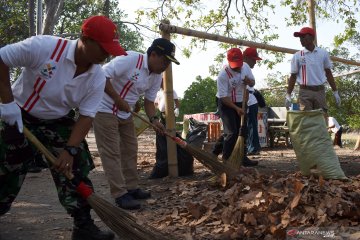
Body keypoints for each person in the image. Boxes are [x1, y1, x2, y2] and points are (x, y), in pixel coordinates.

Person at [0, 15, 126, 240]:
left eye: (111, 49)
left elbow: (86, 116)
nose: (107, 55)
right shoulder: (44, 47)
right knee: (7, 168)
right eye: (103, 48)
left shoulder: (97, 76)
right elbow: (1, 59)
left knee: (76, 168)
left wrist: (70, 150)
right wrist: (8, 103)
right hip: (19, 116)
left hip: (59, 120)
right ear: (85, 39)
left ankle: (83, 226)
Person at [93, 38, 180, 210]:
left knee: (130, 149)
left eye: (169, 64)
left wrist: (154, 120)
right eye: (164, 61)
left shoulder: (156, 76)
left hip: (126, 113)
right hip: (103, 108)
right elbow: (101, 75)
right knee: (111, 153)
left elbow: (149, 102)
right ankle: (119, 194)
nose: (166, 67)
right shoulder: (130, 59)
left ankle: (132, 188)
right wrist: (117, 98)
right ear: (153, 54)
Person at [215, 47, 258, 166]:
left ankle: (242, 157)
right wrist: (236, 108)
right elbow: (224, 98)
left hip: (241, 101)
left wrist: (250, 82)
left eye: (239, 64)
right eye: (235, 65)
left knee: (243, 130)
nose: (238, 68)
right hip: (226, 103)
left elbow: (252, 84)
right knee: (232, 132)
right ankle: (226, 159)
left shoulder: (246, 67)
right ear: (229, 62)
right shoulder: (223, 75)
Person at [285, 27, 341, 112]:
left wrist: (335, 92)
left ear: (312, 37)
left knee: (321, 118)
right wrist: (288, 95)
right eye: (300, 38)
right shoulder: (297, 56)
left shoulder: (323, 53)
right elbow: (293, 76)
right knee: (306, 120)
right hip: (304, 92)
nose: (301, 39)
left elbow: (328, 73)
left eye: (303, 37)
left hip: (320, 91)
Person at [150, 80, 181, 178]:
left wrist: (177, 109)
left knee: (170, 131)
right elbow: (155, 103)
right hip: (161, 114)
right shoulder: (158, 92)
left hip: (170, 114)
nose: (161, 84)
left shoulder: (172, 90)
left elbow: (177, 102)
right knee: (161, 132)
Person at [243, 47, 262, 155]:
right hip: (248, 100)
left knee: (250, 125)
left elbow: (252, 83)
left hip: (250, 99)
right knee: (250, 125)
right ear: (246, 58)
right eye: (253, 59)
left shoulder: (245, 66)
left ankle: (253, 148)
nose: (255, 62)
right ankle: (252, 147)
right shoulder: (244, 65)